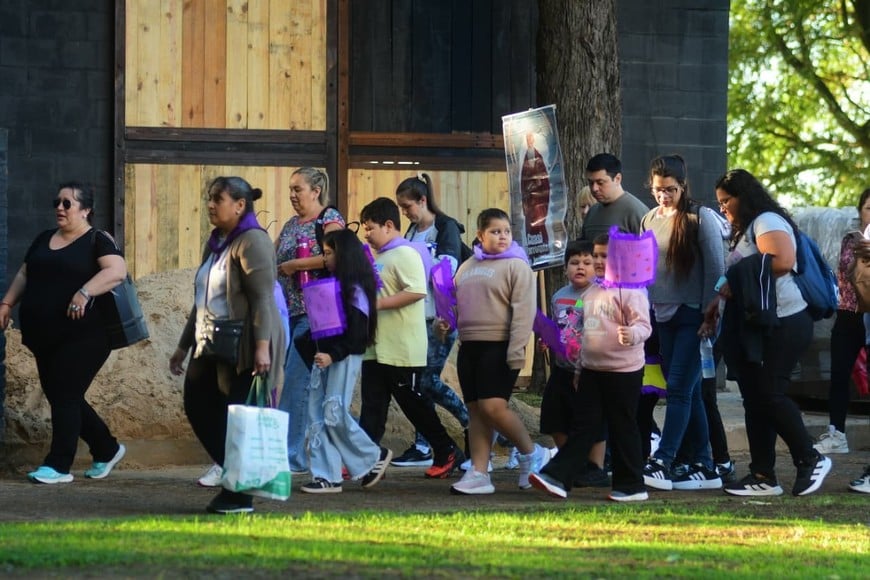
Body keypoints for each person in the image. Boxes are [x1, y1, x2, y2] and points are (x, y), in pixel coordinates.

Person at [701, 169, 831, 497]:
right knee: (754, 399)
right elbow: (741, 273)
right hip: (760, 326)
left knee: (769, 393)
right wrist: (719, 298)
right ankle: (762, 475)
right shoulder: (746, 231)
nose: (722, 208)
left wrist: (735, 281)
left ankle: (810, 457)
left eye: (726, 201)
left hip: (786, 321)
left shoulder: (766, 221)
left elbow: (783, 260)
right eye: (719, 203)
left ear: (744, 196)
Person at [169, 176, 286, 514]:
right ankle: (238, 474)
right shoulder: (216, 243)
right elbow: (201, 300)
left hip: (248, 343)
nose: (210, 204)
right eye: (209, 198)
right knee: (198, 403)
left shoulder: (253, 241)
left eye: (217, 199)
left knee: (239, 416)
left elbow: (262, 298)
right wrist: (183, 346)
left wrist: (262, 347)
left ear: (239, 205)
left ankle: (239, 496)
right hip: (211, 340)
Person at [0, 182, 127, 484]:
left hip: (86, 335)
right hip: (45, 336)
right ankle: (106, 448)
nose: (59, 207)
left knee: (66, 395)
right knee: (63, 396)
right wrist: (6, 303)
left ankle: (59, 465)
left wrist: (84, 292)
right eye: (57, 202)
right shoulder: (44, 238)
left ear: (85, 210)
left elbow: (116, 271)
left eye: (67, 203)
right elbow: (25, 273)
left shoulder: (97, 240)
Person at [529, 232, 652, 502]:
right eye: (596, 255)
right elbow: (587, 333)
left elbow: (644, 326)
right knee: (584, 426)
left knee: (623, 426)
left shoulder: (632, 291)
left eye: (604, 256)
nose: (598, 261)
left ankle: (631, 486)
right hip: (591, 371)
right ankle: (557, 477)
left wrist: (632, 334)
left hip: (623, 372)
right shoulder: (592, 291)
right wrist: (579, 368)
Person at [358, 197, 464, 480]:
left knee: (414, 405)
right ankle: (366, 459)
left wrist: (377, 305)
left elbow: (417, 291)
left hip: (401, 348)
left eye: (370, 228)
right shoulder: (379, 257)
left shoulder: (405, 253)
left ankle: (446, 449)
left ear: (388, 225)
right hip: (376, 347)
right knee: (372, 406)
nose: (366, 234)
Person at [447, 208, 551, 495]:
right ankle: (479, 472)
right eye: (495, 231)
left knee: (493, 407)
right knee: (475, 411)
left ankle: (532, 454)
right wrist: (445, 324)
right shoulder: (466, 267)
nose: (503, 236)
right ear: (480, 235)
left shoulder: (517, 266)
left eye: (506, 231)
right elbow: (456, 306)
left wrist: (517, 349)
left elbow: (524, 311)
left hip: (501, 345)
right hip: (470, 346)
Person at [640, 155, 724, 491]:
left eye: (670, 189)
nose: (664, 196)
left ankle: (664, 459)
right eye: (658, 190)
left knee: (677, 388)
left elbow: (716, 269)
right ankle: (703, 463)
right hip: (662, 314)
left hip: (694, 316)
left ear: (683, 186)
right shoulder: (648, 219)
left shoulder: (699, 217)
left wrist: (710, 314)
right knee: (688, 391)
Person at [299, 229, 390, 493]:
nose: (324, 258)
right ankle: (326, 475)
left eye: (329, 253)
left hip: (343, 357)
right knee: (316, 415)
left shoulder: (356, 291)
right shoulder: (331, 285)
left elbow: (357, 337)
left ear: (344, 254)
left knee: (334, 412)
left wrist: (333, 355)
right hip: (324, 358)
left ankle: (373, 455)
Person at [391, 174, 469, 468]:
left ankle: (470, 422)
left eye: (407, 206)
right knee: (416, 382)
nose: (405, 213)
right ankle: (424, 444)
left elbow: (447, 269)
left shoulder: (445, 227)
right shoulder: (413, 231)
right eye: (401, 208)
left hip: (442, 315)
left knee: (427, 380)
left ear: (423, 200)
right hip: (416, 316)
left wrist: (445, 314)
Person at [275, 167, 345, 474]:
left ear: (315, 191)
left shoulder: (329, 219)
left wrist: (297, 264)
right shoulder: (291, 225)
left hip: (318, 312)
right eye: (290, 189)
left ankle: (292, 456)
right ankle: (349, 447)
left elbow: (338, 255)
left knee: (296, 380)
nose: (292, 195)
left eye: (298, 189)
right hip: (290, 311)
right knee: (309, 385)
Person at [539, 240, 607, 487]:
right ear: (565, 267)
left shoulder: (601, 294)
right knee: (553, 414)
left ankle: (596, 467)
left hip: (590, 368)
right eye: (574, 262)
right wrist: (547, 339)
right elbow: (559, 326)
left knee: (590, 419)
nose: (580, 267)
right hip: (563, 366)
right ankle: (571, 462)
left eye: (587, 263)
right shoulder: (559, 296)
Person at [814, 187, 870, 455]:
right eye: (868, 208)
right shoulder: (851, 239)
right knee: (839, 375)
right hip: (849, 314)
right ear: (860, 211)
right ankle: (836, 433)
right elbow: (845, 273)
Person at [580, 153, 649, 242]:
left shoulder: (636, 212)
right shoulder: (592, 212)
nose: (594, 188)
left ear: (617, 179)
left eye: (600, 183)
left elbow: (650, 248)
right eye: (591, 183)